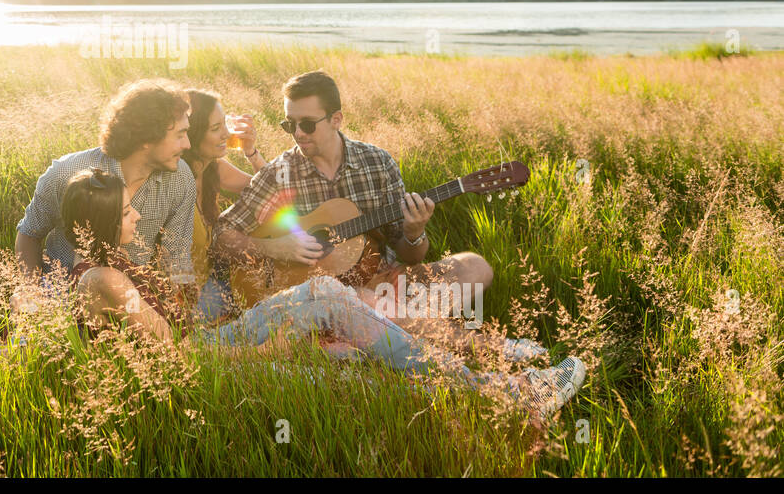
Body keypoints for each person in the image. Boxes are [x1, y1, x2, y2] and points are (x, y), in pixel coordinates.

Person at [52, 167, 586, 424]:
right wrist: (263, 349)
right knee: (333, 314)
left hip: (212, 348)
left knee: (334, 310)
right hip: (207, 366)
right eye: (125, 211)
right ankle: (504, 394)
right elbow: (175, 364)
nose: (137, 215)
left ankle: (497, 389)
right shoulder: (105, 280)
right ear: (99, 220)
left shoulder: (111, 266)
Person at [214, 70, 498, 351]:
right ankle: (484, 347)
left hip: (384, 279)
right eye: (290, 124)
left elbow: (410, 255)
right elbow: (222, 235)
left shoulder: (377, 162)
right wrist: (277, 248)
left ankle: (387, 330)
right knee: (362, 300)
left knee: (475, 266)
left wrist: (414, 232)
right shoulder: (279, 172)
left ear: (336, 119)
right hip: (329, 296)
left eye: (308, 124)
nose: (298, 133)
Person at [14, 78, 198, 312]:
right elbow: (29, 234)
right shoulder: (68, 173)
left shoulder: (181, 178)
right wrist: (33, 294)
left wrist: (185, 318)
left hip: (128, 307)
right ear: (147, 139)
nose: (188, 144)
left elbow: (177, 257)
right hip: (62, 304)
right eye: (180, 135)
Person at [181, 89, 267, 322]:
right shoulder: (175, 181)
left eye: (224, 125)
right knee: (277, 309)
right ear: (193, 134)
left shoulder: (213, 167)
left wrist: (251, 151)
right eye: (215, 128)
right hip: (193, 300)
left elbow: (269, 191)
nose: (226, 134)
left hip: (219, 279)